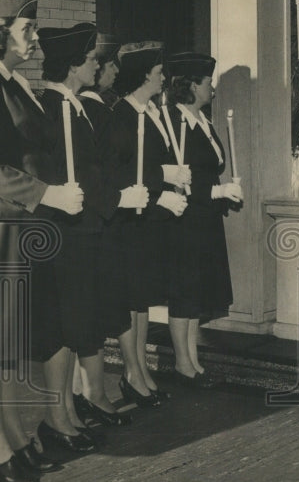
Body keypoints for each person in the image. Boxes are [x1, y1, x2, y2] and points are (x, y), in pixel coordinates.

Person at [0, 0, 84, 482]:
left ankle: (11, 438)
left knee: (6, 339)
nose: (34, 38)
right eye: (26, 30)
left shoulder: (10, 80)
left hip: (19, 226)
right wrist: (47, 193)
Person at [37, 23, 148, 436]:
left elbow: (91, 170)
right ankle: (58, 416)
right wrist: (116, 201)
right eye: (90, 60)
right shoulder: (57, 107)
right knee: (64, 328)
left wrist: (116, 198)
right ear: (72, 66)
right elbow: (76, 174)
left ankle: (68, 412)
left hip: (84, 231)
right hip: (67, 234)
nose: (97, 66)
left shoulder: (75, 107)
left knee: (77, 325)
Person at [99, 41, 189, 407]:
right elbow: (121, 169)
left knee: (144, 301)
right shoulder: (122, 114)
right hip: (131, 221)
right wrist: (160, 184)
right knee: (133, 301)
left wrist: (169, 175)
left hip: (150, 221)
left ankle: (141, 371)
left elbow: (152, 159)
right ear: (143, 75)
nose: (163, 77)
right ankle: (132, 372)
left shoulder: (151, 110)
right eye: (158, 72)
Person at [164, 52, 241, 387]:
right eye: (209, 82)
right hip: (186, 219)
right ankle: (182, 362)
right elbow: (181, 176)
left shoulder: (203, 121)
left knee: (197, 291)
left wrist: (225, 189)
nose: (213, 88)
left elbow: (211, 166)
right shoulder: (174, 121)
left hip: (206, 218)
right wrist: (216, 192)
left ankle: (192, 357)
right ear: (191, 84)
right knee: (184, 289)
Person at [78, 32, 120, 132]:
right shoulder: (92, 107)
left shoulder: (100, 101)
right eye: (111, 65)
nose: (116, 70)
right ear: (98, 70)